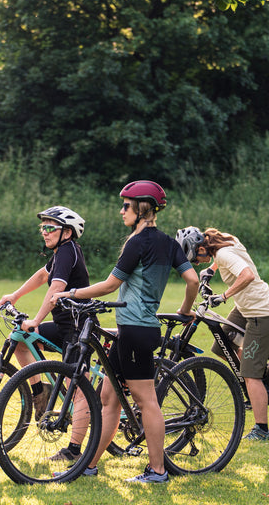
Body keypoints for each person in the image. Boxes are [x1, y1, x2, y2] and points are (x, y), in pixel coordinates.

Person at [52, 180, 198, 483]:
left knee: (146, 402)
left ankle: (158, 471)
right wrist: (186, 309)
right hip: (130, 330)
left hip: (136, 330)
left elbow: (110, 285)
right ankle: (88, 465)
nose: (121, 211)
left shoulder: (138, 242)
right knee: (109, 399)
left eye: (126, 206)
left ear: (141, 207)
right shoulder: (169, 244)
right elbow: (193, 280)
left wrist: (72, 293)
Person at [0, 206, 92, 459]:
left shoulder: (68, 251)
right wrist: (15, 295)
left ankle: (74, 451)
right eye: (43, 227)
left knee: (79, 386)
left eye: (51, 227)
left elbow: (56, 289)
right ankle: (41, 392)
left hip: (77, 328)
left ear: (67, 232)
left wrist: (37, 320)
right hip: (63, 325)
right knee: (19, 342)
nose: (45, 232)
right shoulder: (61, 251)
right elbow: (43, 276)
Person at [176, 226, 269, 441]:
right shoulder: (222, 243)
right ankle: (259, 371)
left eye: (195, 257)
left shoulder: (223, 252)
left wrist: (223, 296)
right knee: (220, 346)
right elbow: (226, 259)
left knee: (250, 374)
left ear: (202, 247)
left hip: (260, 311)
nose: (196, 263)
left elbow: (247, 274)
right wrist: (212, 269)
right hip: (244, 308)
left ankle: (262, 429)